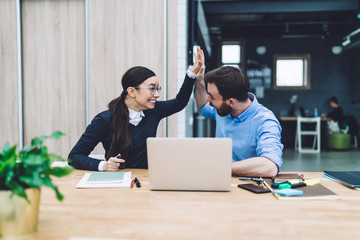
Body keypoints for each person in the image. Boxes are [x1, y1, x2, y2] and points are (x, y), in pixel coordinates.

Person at [68, 48, 203, 171]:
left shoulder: (154, 110)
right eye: (152, 88)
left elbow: (179, 103)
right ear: (132, 91)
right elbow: (74, 157)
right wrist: (103, 165)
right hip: (118, 183)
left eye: (157, 88)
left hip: (146, 181)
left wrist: (191, 74)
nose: (157, 94)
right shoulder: (104, 120)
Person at [195, 50, 283, 177]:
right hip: (218, 180)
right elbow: (203, 106)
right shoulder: (222, 110)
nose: (208, 100)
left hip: (248, 188)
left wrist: (219, 168)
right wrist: (199, 79)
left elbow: (269, 166)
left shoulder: (266, 121)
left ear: (231, 102)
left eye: (212, 97)